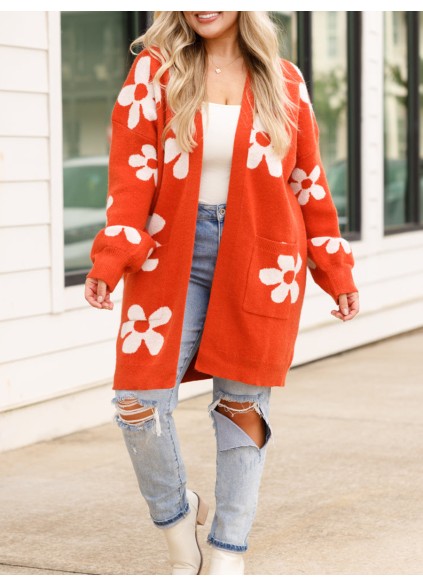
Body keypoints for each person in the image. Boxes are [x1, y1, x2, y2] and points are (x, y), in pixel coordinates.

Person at [84, 11, 359, 575]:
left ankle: (230, 548)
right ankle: (177, 517)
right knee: (137, 402)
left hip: (262, 253)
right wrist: (112, 256)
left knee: (242, 407)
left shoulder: (285, 81)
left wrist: (334, 269)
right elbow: (132, 172)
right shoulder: (155, 71)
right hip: (169, 253)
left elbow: (308, 181)